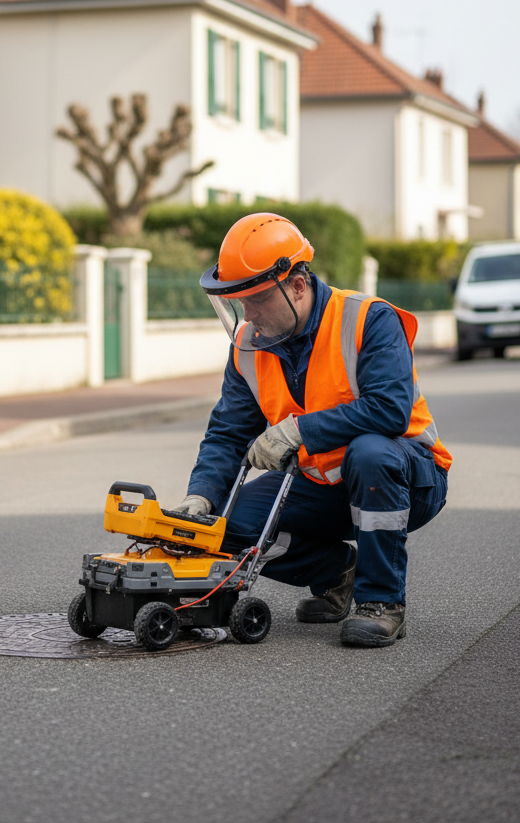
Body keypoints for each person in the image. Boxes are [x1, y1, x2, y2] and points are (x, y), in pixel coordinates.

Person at [169, 212, 451, 647]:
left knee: (370, 453)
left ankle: (381, 603)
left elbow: (390, 411)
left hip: (407, 477)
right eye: (240, 301)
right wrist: (201, 495)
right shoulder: (249, 347)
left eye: (258, 299)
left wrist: (298, 431)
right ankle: (337, 573)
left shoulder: (368, 319)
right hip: (322, 483)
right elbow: (228, 433)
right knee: (224, 527)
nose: (249, 314)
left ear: (297, 286)